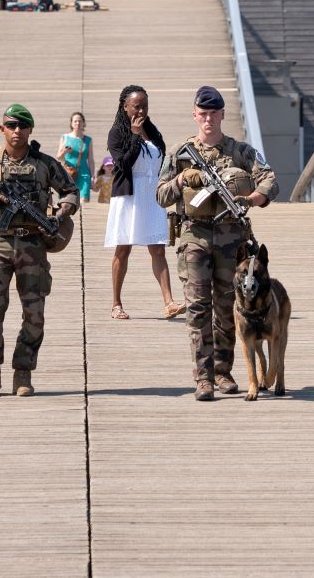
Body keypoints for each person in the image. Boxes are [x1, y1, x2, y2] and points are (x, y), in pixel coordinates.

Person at [157, 85, 278, 400]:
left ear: (223, 114)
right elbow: (160, 195)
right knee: (198, 307)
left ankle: (223, 371)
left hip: (230, 240)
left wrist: (251, 198)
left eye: (214, 113)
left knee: (227, 307)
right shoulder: (181, 153)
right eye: (203, 113)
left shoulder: (240, 151)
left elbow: (270, 179)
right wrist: (183, 180)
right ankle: (203, 377)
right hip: (194, 237)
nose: (208, 119)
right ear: (195, 115)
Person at [0, 103, 79, 398]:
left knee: (34, 312)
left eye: (22, 126)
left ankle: (23, 371)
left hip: (33, 243)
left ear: (30, 130)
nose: (17, 131)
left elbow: (71, 191)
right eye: (11, 126)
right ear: (2, 129)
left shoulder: (44, 164)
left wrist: (60, 214)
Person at [103, 86, 180, 320]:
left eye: (145, 105)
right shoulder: (116, 133)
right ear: (125, 106)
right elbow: (122, 166)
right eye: (137, 106)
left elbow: (161, 160)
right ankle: (116, 304)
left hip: (152, 195)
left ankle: (169, 302)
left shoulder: (152, 130)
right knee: (123, 249)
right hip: (129, 196)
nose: (141, 110)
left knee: (158, 247)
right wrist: (135, 137)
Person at [59, 111, 94, 202]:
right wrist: (65, 151)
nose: (77, 123)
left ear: (83, 123)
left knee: (84, 201)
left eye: (80, 121)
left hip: (84, 174)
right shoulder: (65, 137)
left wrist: (93, 176)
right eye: (75, 121)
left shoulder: (88, 140)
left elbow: (90, 159)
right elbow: (59, 157)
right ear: (71, 123)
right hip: (68, 174)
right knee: (67, 202)